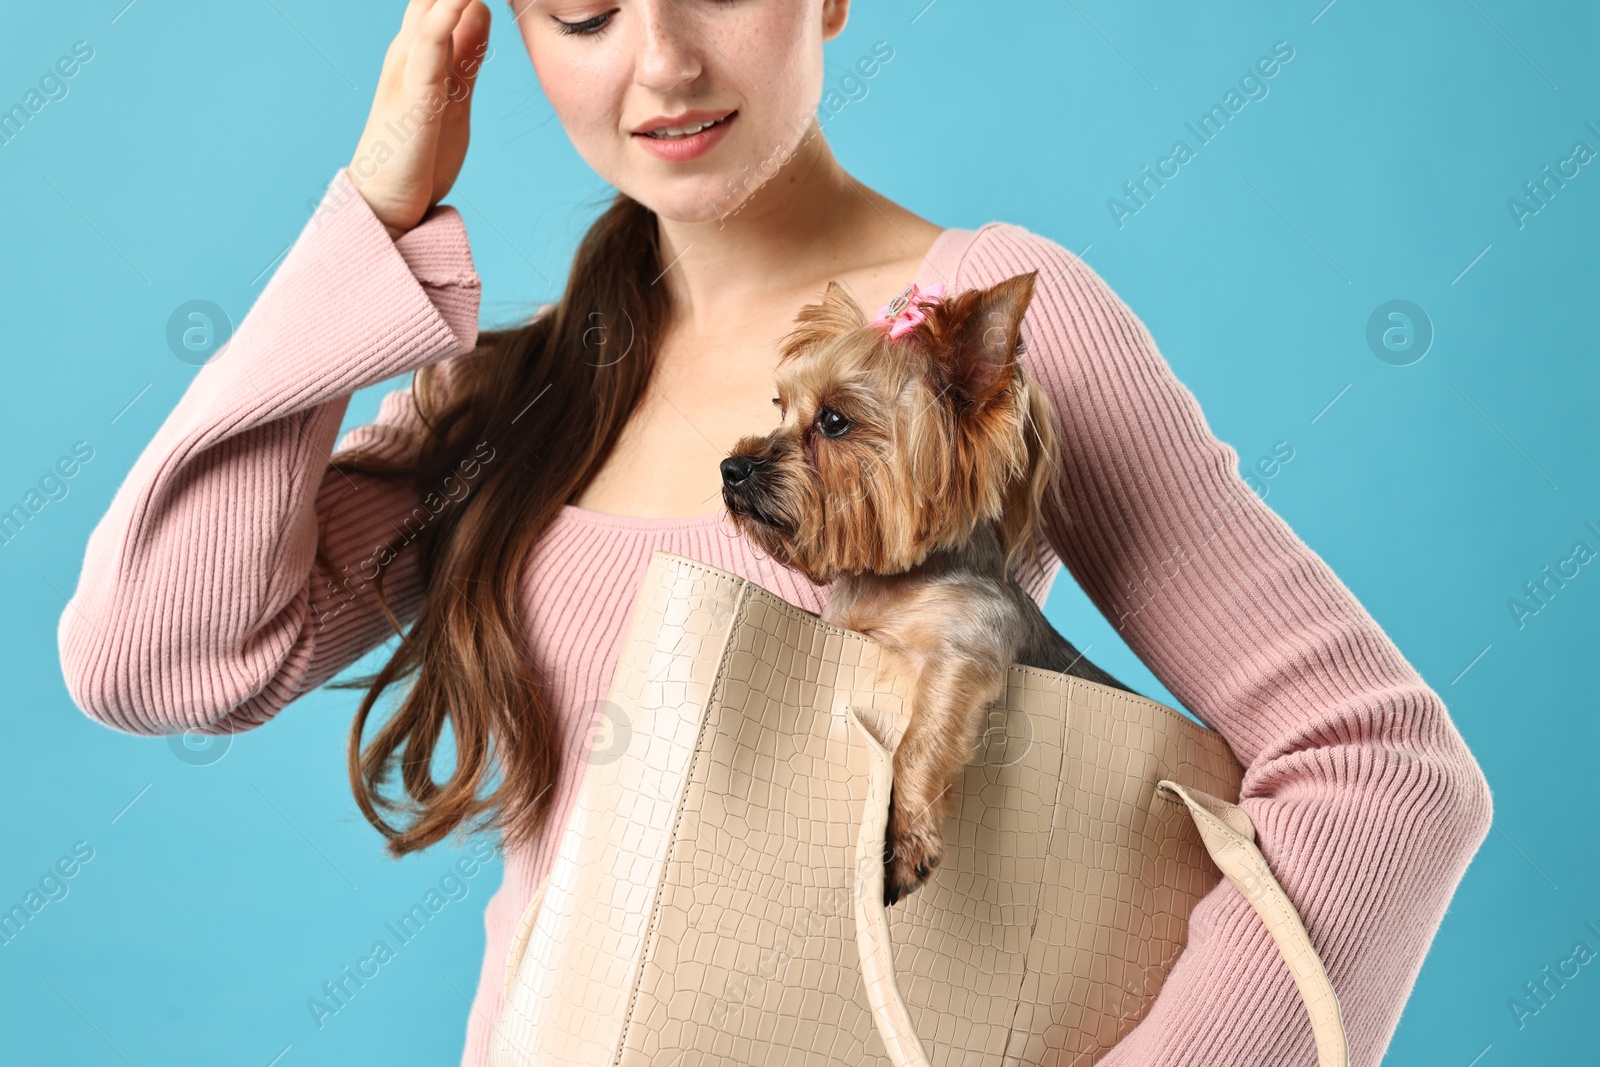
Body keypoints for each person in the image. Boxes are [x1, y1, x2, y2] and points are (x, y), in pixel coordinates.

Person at [57, 1, 1492, 1063]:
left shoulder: (970, 324)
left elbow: (1380, 768)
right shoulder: (511, 398)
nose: (665, 63)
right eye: (586, 13)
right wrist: (376, 208)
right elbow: (159, 659)